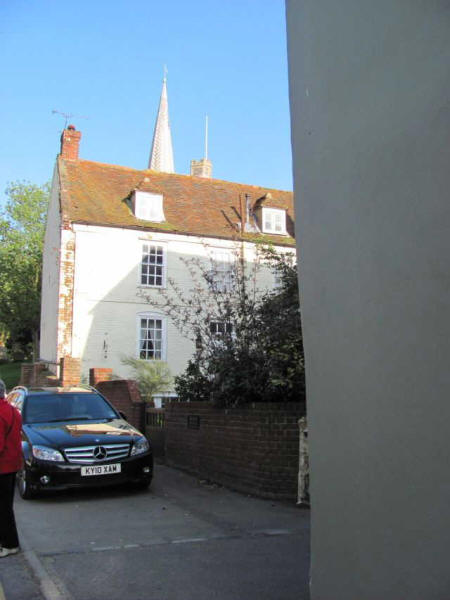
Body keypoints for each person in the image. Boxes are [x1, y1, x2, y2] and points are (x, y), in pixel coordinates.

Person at [0, 379, 22, 557]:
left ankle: (9, 544)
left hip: (2, 466)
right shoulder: (13, 410)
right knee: (6, 506)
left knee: (3, 508)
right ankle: (9, 542)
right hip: (12, 464)